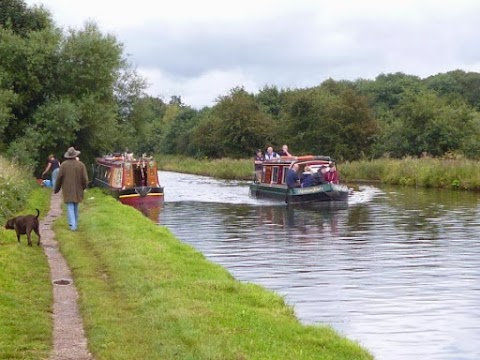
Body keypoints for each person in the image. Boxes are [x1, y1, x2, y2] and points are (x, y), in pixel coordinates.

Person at [54, 147, 88, 231]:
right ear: (75, 155)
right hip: (78, 189)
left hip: (67, 189)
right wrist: (83, 187)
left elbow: (59, 178)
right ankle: (74, 224)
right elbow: (85, 179)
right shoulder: (81, 165)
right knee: (76, 207)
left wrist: (56, 189)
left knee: (70, 207)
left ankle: (73, 226)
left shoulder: (63, 165)